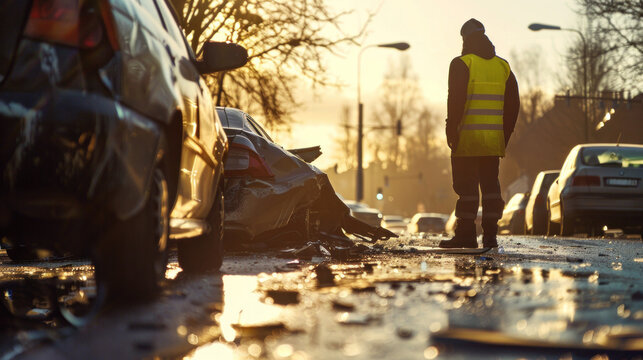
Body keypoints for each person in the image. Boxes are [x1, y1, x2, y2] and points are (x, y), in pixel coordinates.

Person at [439, 18, 520, 248]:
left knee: (467, 187)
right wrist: (504, 134)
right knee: (491, 186)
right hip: (492, 141)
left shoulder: (461, 64)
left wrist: (451, 130)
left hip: (467, 138)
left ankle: (466, 234)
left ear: (465, 39)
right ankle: (491, 235)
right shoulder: (503, 67)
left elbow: (455, 101)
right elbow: (514, 105)